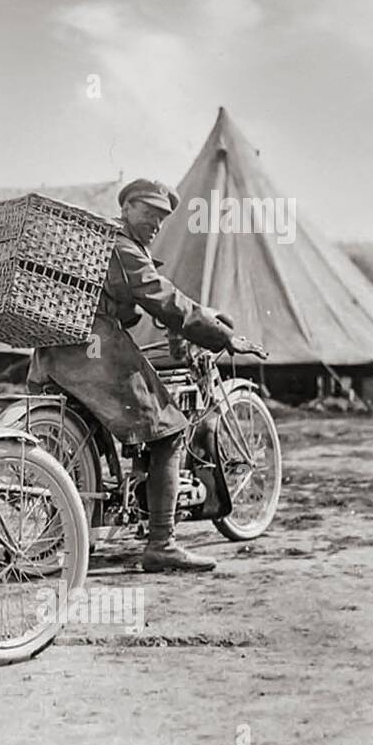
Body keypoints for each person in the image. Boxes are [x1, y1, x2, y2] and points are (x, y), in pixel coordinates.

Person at [29, 178, 264, 573]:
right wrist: (222, 336)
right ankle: (162, 543)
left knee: (77, 444)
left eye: (161, 217)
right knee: (169, 430)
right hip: (94, 351)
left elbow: (153, 296)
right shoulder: (121, 246)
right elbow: (160, 296)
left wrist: (185, 317)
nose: (156, 222)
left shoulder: (99, 244)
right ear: (127, 208)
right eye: (148, 212)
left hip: (53, 356)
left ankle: (62, 529)